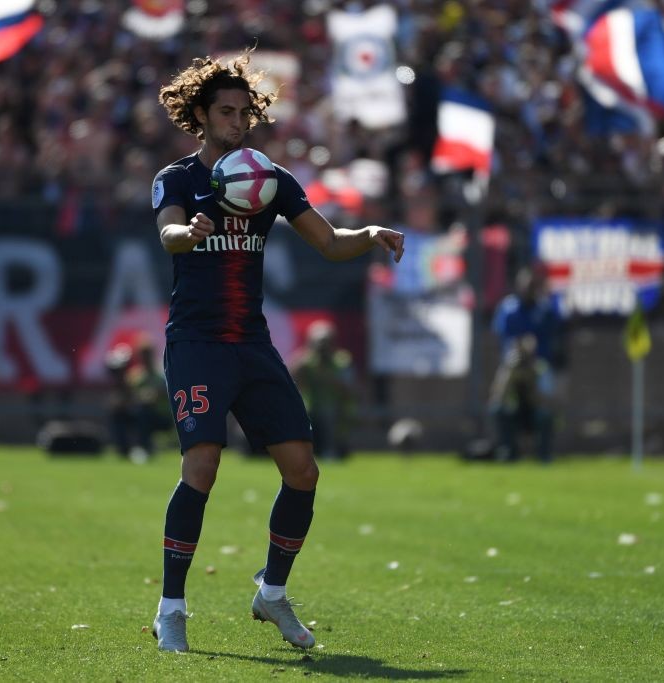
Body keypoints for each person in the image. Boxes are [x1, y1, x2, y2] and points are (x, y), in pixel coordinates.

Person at [149, 50, 404, 652]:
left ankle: (271, 592)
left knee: (303, 470)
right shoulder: (177, 178)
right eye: (226, 112)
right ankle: (172, 608)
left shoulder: (269, 178)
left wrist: (367, 234)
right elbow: (168, 234)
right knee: (202, 469)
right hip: (198, 344)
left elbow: (328, 241)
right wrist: (190, 232)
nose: (238, 122)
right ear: (201, 116)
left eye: (245, 112)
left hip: (252, 345)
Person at [291, 320, 356, 460]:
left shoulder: (341, 360)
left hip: (336, 408)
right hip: (310, 408)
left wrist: (328, 376)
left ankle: (330, 449)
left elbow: (349, 389)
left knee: (328, 413)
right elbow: (292, 380)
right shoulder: (306, 361)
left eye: (326, 343)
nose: (322, 348)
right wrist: (301, 363)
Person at [488, 333, 555, 463]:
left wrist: (531, 377)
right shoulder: (508, 368)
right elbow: (497, 396)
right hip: (514, 412)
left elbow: (546, 399)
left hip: (533, 411)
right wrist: (510, 374)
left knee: (545, 416)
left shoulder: (541, 367)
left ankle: (544, 455)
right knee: (498, 411)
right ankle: (509, 452)